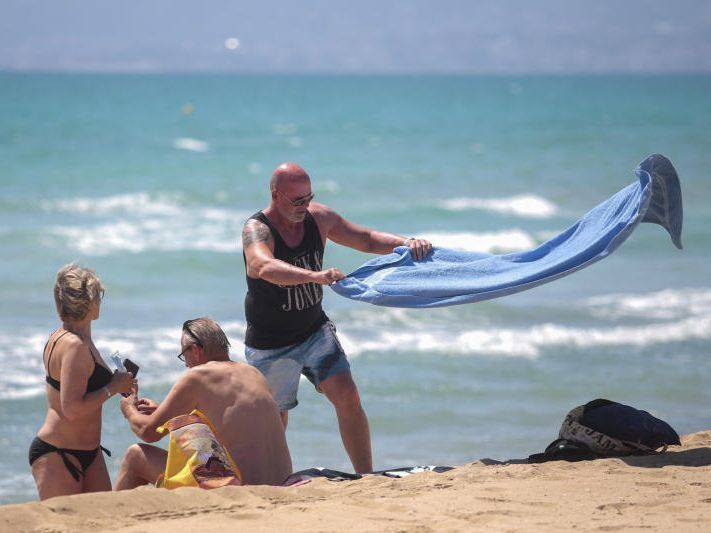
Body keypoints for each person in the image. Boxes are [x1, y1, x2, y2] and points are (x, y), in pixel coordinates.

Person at [242, 162, 432, 473]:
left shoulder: (319, 218)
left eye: (308, 198)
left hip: (314, 330)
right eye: (297, 201)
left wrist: (406, 243)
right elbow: (260, 266)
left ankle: (365, 476)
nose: (305, 206)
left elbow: (367, 239)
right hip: (271, 343)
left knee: (348, 394)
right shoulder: (257, 229)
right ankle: (273, 480)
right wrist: (313, 276)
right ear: (276, 195)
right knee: (275, 418)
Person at [116, 317, 292, 489]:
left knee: (135, 456)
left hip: (240, 488)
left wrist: (129, 408)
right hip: (281, 482)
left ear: (195, 350)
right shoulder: (254, 374)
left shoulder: (198, 377)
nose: (185, 364)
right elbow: (232, 423)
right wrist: (164, 411)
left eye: (183, 355)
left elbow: (147, 432)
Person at [29, 264, 136, 500]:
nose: (100, 302)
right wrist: (112, 387)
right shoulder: (74, 345)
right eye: (99, 296)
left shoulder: (76, 337)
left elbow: (88, 387)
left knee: (104, 521)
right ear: (89, 302)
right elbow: (72, 408)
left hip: (90, 452)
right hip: (59, 453)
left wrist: (122, 387)